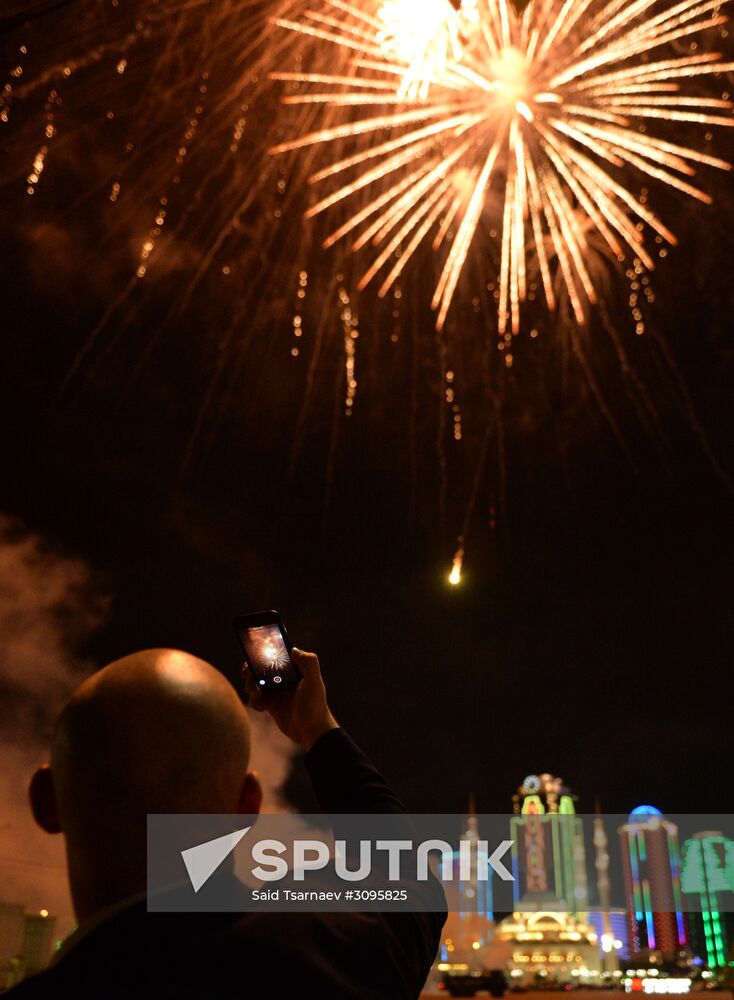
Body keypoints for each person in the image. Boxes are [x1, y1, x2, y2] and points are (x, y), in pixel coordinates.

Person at [12, 646, 445, 998]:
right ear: (247, 807)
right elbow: (410, 883)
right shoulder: (333, 954)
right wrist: (317, 728)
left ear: (45, 801)